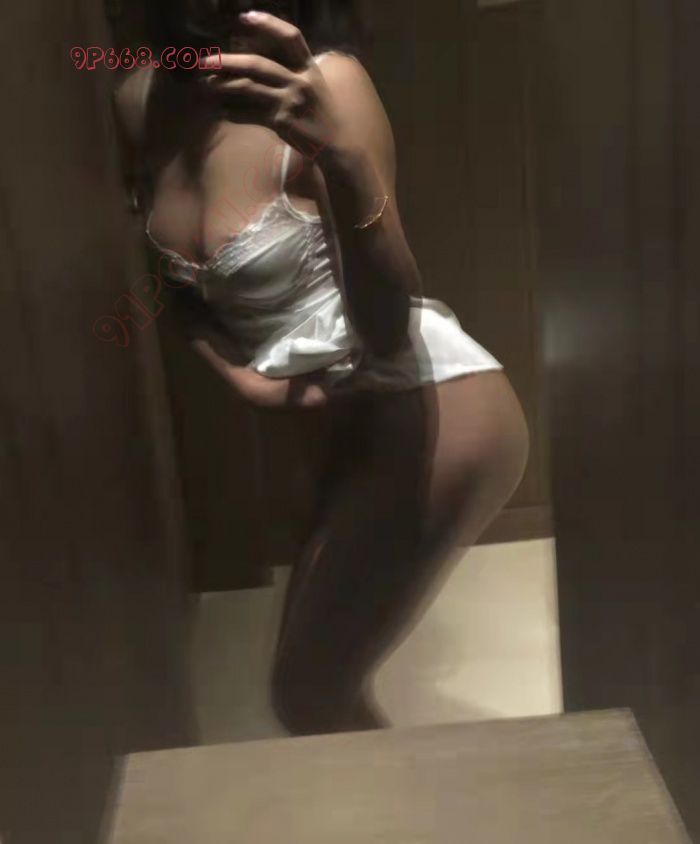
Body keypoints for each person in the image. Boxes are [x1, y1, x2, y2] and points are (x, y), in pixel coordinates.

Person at [113, 0, 530, 735]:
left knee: (307, 693)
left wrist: (343, 161)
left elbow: (386, 329)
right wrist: (239, 378)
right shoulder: (139, 94)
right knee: (317, 689)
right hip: (335, 425)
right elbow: (165, 290)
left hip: (426, 406)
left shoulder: (329, 82)